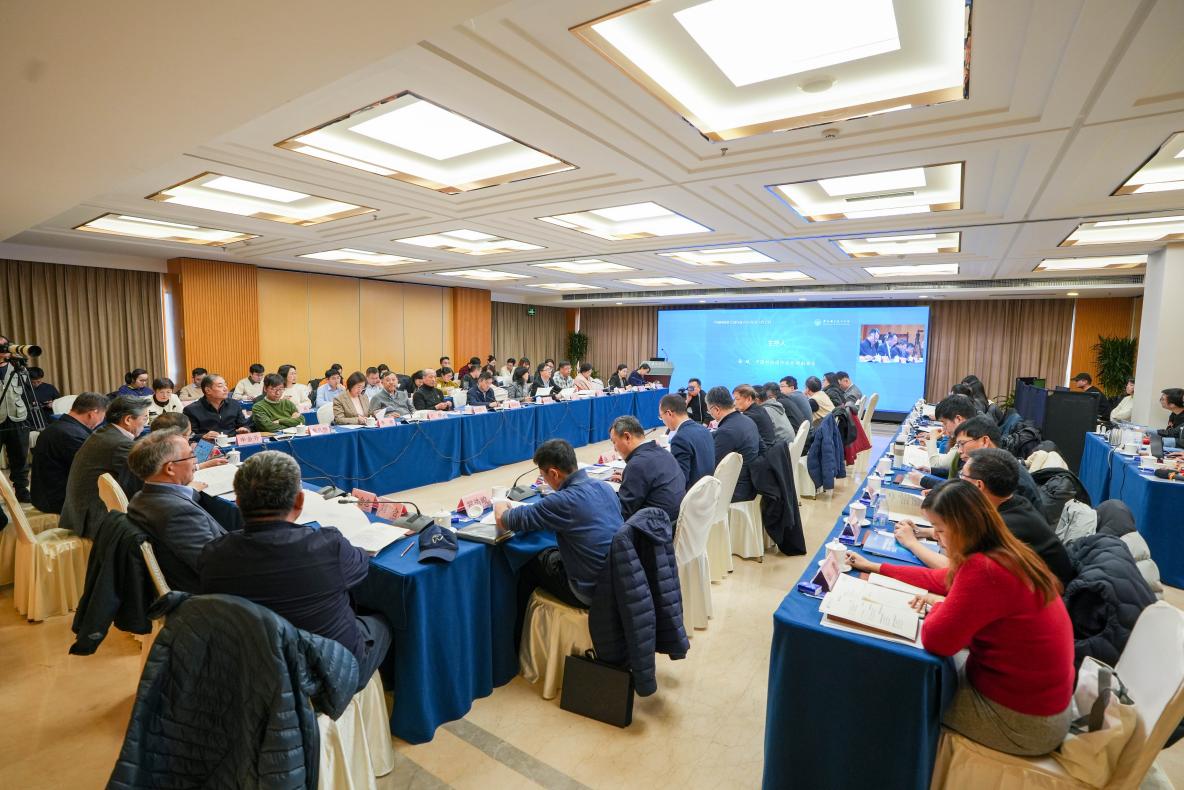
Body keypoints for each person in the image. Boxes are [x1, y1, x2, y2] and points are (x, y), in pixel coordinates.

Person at [847, 481, 1073, 757]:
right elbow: (939, 579)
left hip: (1021, 722)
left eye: (940, 530)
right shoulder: (1005, 550)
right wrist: (876, 567)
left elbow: (937, 640)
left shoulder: (985, 569)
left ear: (963, 526)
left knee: (893, 693)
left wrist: (939, 606)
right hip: (1040, 704)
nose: (936, 538)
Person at [199, 452, 391, 692]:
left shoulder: (213, 554)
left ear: (237, 502)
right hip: (328, 673)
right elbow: (361, 564)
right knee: (383, 622)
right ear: (300, 501)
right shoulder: (328, 546)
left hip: (250, 666)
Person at [893, 448, 1074, 588]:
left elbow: (956, 571)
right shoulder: (1011, 503)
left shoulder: (1005, 527)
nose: (959, 481)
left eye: (963, 476)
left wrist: (912, 543)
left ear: (978, 485)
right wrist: (923, 531)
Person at [494, 439, 620, 610]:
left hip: (588, 591)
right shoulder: (604, 487)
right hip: (616, 579)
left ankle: (522, 623)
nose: (544, 481)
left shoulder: (562, 501)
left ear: (554, 474)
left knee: (529, 561)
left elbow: (504, 520)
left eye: (543, 476)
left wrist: (500, 502)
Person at [126, 430, 228, 592]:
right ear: (170, 469)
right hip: (210, 596)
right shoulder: (179, 514)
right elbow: (217, 569)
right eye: (191, 456)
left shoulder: (142, 497)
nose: (195, 461)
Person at [59, 396, 149, 539]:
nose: (146, 423)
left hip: (77, 515)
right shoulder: (121, 444)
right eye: (145, 418)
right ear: (128, 419)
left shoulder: (105, 433)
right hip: (93, 520)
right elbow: (144, 482)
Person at [30, 392, 108, 514]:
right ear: (93, 413)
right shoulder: (72, 435)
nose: (101, 421)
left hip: (44, 495)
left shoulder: (59, 427)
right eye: (103, 416)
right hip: (57, 501)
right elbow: (92, 472)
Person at [951, 416, 1045, 510]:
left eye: (962, 444)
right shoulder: (990, 467)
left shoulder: (1008, 477)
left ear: (984, 441)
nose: (959, 451)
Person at [609, 415, 685, 524]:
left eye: (614, 442)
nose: (615, 449)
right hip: (674, 522)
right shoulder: (663, 452)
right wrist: (628, 479)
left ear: (627, 437)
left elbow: (622, 514)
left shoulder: (636, 465)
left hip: (652, 529)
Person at [708, 386, 760, 501]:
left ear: (716, 409)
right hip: (753, 483)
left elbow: (713, 469)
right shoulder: (748, 421)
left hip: (735, 490)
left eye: (709, 411)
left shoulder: (725, 432)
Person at [0, 335, 32, 501]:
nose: (4, 348)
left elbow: (26, 388)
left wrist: (19, 363)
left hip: (18, 418)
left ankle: (21, 490)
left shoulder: (17, 366)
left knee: (20, 457)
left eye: (6, 345)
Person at [660, 393, 715, 490]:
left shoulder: (680, 438)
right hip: (708, 489)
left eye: (661, 417)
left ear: (669, 413)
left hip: (692, 494)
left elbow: (680, 481)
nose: (663, 421)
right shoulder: (705, 430)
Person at [925, 394, 978, 479]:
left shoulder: (970, 440)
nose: (943, 427)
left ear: (958, 419)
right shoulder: (968, 433)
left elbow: (937, 464)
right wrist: (932, 471)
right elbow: (956, 473)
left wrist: (933, 439)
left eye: (944, 423)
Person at [183, 374, 251, 439]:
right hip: (208, 444)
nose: (226, 389)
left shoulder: (234, 404)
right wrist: (203, 436)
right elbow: (189, 435)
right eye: (220, 386)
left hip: (233, 442)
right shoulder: (191, 410)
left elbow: (244, 424)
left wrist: (245, 429)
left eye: (225, 385)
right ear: (208, 390)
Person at [733, 384, 775, 453]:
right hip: (770, 450)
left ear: (749, 399)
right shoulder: (759, 409)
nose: (734, 403)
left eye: (737, 399)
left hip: (763, 454)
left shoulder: (749, 416)